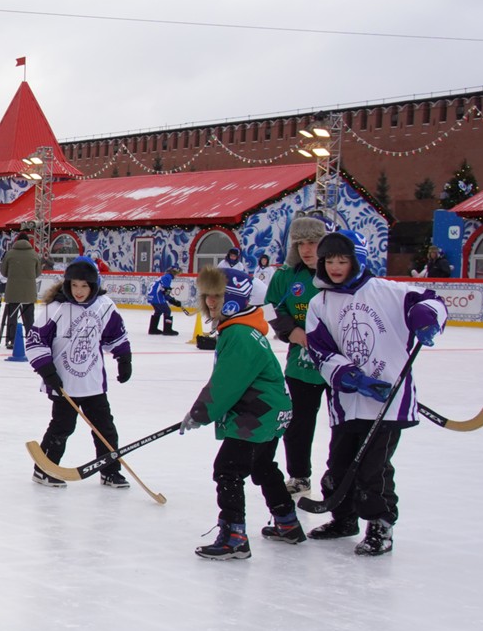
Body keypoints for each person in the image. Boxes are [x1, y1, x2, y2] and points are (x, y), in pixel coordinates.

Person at [300, 231, 446, 555]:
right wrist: (351, 378)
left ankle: (381, 524)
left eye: (343, 260)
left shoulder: (389, 292)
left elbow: (432, 301)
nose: (335, 267)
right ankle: (344, 519)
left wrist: (427, 318)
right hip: (347, 401)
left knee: (373, 469)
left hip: (388, 405)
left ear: (358, 260)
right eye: (329, 261)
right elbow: (320, 350)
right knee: (339, 464)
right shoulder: (319, 303)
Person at [181, 267, 299, 560]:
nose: (210, 302)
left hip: (257, 412)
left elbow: (226, 383)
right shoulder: (243, 328)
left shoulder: (239, 333)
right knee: (261, 466)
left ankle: (234, 536)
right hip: (271, 410)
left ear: (233, 298)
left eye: (218, 296)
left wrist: (201, 412)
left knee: (228, 469)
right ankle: (287, 521)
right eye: (207, 295)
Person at [25, 258, 133, 488]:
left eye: (84, 286)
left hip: (93, 381)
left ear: (94, 285)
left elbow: (116, 335)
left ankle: (110, 470)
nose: (79, 291)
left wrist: (124, 358)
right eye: (74, 285)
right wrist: (47, 371)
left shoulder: (104, 305)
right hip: (64, 382)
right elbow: (35, 342)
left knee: (105, 428)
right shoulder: (56, 308)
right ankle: (44, 469)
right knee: (62, 427)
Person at [263, 216, 328, 496]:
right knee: (298, 423)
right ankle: (299, 475)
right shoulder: (286, 275)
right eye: (300, 243)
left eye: (312, 242)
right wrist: (291, 331)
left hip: (339, 366)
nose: (306, 249)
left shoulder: (338, 271)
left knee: (345, 426)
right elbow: (268, 309)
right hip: (301, 366)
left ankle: (341, 477)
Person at [0, 235, 41, 351]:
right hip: (29, 291)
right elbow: (37, 273)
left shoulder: (10, 254)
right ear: (28, 242)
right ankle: (30, 339)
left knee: (12, 317)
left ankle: (11, 340)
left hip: (13, 290)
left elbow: (3, 271)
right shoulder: (34, 254)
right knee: (29, 318)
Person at [146, 267, 188, 336]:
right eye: (178, 274)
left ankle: (152, 329)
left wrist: (172, 300)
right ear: (174, 273)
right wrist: (173, 301)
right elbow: (166, 292)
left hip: (152, 297)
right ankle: (167, 330)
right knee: (167, 311)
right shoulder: (168, 277)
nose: (178, 276)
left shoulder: (164, 277)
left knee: (158, 311)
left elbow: (164, 292)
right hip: (156, 297)